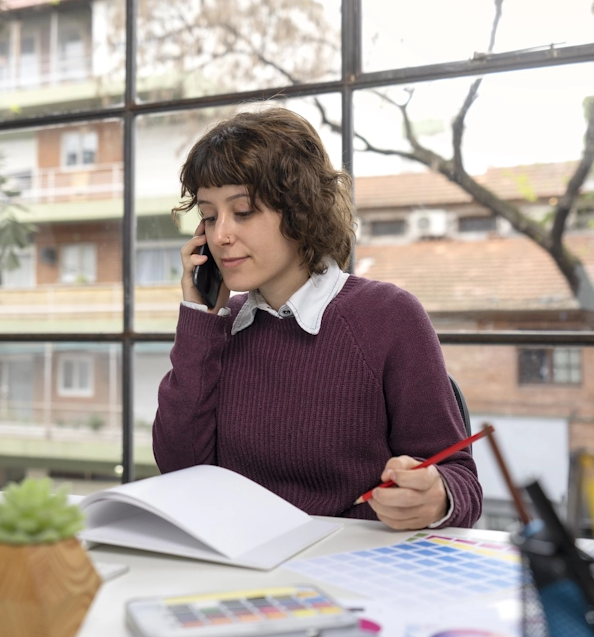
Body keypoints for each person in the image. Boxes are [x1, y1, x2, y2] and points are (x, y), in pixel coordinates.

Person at [153, 108, 482, 529]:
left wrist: (437, 496)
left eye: (244, 211)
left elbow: (461, 480)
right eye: (210, 216)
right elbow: (178, 469)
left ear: (299, 209)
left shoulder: (388, 317)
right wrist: (199, 319)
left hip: (352, 572)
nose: (220, 236)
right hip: (239, 566)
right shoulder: (220, 329)